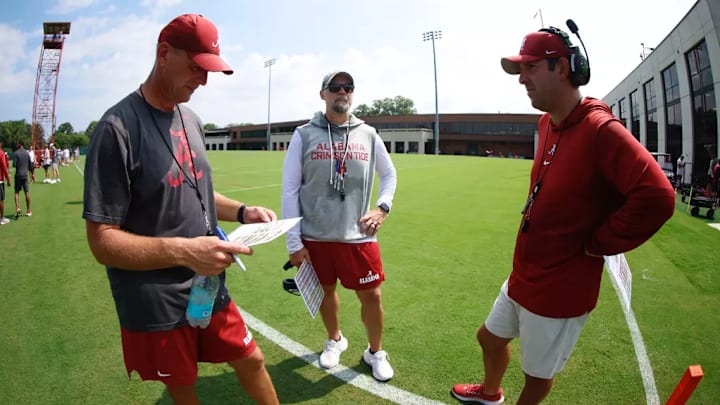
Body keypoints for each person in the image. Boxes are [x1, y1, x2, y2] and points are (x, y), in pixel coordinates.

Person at [451, 27, 675, 404]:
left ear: (564, 68)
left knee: (536, 376)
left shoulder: (601, 129)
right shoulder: (547, 123)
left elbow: (658, 196)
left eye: (532, 67)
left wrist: (600, 243)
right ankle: (490, 394)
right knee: (488, 338)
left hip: (561, 289)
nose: (522, 79)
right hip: (526, 273)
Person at [82, 14, 279, 405]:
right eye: (195, 68)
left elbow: (193, 190)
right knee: (184, 388)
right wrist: (187, 250)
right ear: (163, 54)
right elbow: (102, 243)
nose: (202, 81)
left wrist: (243, 211)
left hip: (206, 284)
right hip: (154, 298)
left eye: (209, 72)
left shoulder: (190, 119)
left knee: (252, 361)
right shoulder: (116, 129)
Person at [281, 71, 398, 382]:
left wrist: (382, 207)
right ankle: (335, 339)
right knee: (325, 292)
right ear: (323, 94)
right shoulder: (303, 134)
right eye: (335, 88)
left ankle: (375, 352)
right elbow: (290, 189)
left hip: (358, 236)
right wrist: (294, 243)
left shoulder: (369, 134)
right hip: (315, 235)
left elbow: (389, 176)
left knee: (372, 296)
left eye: (348, 87)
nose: (342, 92)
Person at [12, 140, 33, 219]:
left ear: (20, 144)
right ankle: (28, 210)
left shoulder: (16, 153)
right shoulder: (27, 153)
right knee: (26, 192)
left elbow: (14, 164)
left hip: (18, 175)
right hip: (25, 175)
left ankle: (17, 207)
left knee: (16, 192)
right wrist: (33, 174)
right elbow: (30, 166)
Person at [0, 141, 11, 225]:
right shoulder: (1, 153)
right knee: (0, 199)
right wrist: (8, 179)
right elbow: (4, 167)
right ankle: (2, 218)